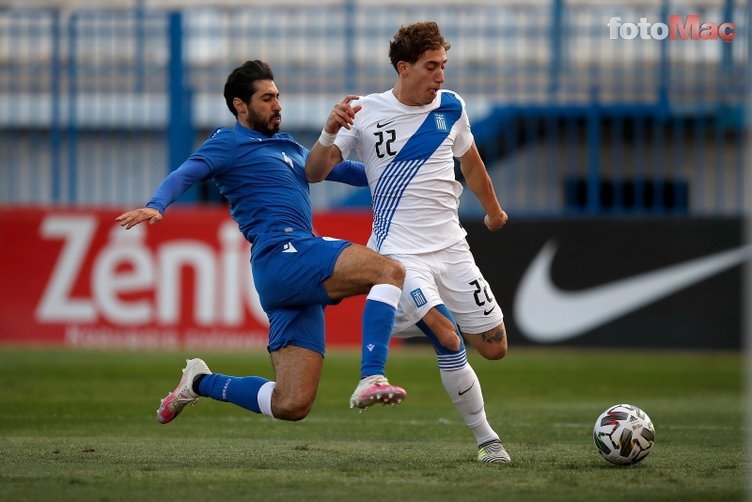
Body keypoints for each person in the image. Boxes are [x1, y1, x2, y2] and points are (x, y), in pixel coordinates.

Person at [116, 60, 407, 425]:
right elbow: (184, 173)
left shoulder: (290, 146)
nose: (277, 105)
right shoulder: (228, 142)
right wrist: (156, 205)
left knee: (291, 404)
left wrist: (408, 167)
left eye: (278, 97)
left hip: (285, 278)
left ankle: (200, 382)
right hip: (285, 255)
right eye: (267, 98)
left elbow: (351, 172)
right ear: (241, 105)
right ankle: (372, 376)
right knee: (389, 270)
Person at [305, 22, 511, 463]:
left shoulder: (452, 107)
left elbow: (471, 164)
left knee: (494, 346)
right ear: (404, 67)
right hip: (399, 252)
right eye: (431, 66)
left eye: (444, 66)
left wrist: (493, 210)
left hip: (453, 248)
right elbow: (315, 171)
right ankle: (488, 441)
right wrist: (327, 132)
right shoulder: (363, 111)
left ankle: (400, 310)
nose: (441, 76)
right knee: (448, 337)